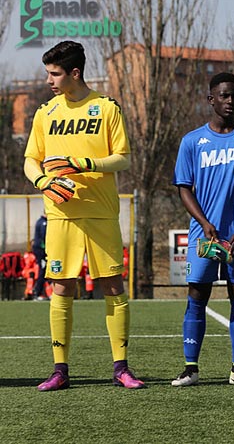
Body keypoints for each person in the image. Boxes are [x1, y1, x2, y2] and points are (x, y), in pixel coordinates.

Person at [23, 40, 144, 391]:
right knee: (61, 287)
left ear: (75, 73)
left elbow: (123, 157)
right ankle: (60, 370)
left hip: (101, 213)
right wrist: (43, 180)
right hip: (60, 215)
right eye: (48, 73)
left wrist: (83, 164)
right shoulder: (46, 113)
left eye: (55, 74)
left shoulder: (106, 108)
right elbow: (31, 159)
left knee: (113, 286)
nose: (49, 80)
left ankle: (121, 367)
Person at [171, 72, 234, 387]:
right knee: (197, 294)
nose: (229, 101)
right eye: (223, 96)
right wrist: (204, 222)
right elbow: (184, 188)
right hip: (204, 234)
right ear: (211, 99)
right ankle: (190, 369)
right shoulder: (191, 141)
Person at [32, 213, 48, 300]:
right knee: (42, 270)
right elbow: (44, 237)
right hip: (41, 252)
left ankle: (40, 292)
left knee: (44, 270)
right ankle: (37, 293)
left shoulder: (40, 221)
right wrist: (46, 250)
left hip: (40, 250)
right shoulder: (43, 223)